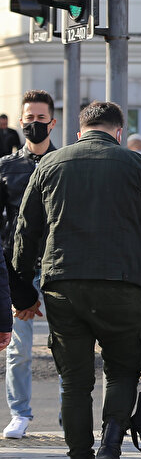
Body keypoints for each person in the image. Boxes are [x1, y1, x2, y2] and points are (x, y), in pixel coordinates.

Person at [13, 101, 141, 459]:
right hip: (125, 286)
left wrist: (22, 295)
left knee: (74, 385)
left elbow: (25, 232)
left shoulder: (50, 166)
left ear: (78, 131)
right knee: (122, 374)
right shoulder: (137, 166)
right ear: (118, 132)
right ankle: (109, 446)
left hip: (64, 286)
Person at [1, 90, 57, 439]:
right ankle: (20, 412)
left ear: (52, 121)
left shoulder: (64, 161)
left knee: (67, 344)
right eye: (29, 118)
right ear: (20, 121)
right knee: (18, 348)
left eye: (41, 118)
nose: (34, 124)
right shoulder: (6, 168)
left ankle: (71, 413)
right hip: (17, 268)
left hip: (58, 265)